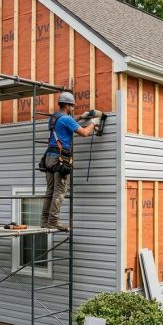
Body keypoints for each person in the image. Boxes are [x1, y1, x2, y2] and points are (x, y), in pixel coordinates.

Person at [39, 92, 99, 230]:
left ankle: (44, 220)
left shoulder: (55, 118)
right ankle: (53, 221)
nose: (73, 109)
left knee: (50, 190)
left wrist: (80, 117)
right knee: (60, 191)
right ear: (67, 105)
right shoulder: (67, 119)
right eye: (72, 106)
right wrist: (93, 123)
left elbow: (67, 123)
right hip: (60, 158)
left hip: (49, 157)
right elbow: (84, 133)